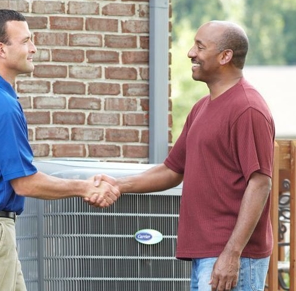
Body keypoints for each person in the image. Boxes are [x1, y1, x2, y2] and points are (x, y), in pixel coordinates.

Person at [0, 9, 120, 291]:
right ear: (1, 49)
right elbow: (25, 183)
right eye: (25, 41)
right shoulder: (0, 104)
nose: (33, 49)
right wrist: (85, 188)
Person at [93, 21, 275, 291]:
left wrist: (232, 254)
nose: (191, 53)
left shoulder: (247, 108)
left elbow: (260, 183)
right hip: (206, 255)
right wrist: (120, 185)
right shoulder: (202, 108)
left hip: (230, 256)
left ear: (225, 56)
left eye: (200, 47)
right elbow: (172, 170)